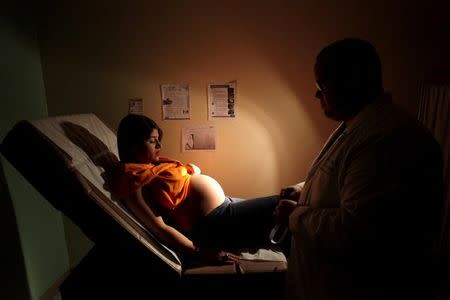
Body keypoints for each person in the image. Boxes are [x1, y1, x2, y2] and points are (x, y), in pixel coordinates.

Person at [274, 38, 443, 299]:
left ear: (351, 81)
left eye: (322, 85)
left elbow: (356, 230)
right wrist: (304, 190)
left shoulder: (387, 140)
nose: (317, 94)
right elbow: (345, 183)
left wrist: (295, 216)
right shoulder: (359, 126)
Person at [113, 113, 281, 264]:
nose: (159, 145)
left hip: (225, 208)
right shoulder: (132, 178)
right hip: (215, 223)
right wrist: (199, 252)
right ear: (133, 146)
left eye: (158, 139)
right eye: (152, 141)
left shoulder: (152, 165)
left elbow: (192, 171)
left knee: (290, 214)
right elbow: (159, 228)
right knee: (285, 204)